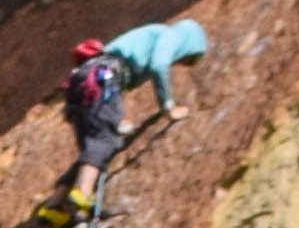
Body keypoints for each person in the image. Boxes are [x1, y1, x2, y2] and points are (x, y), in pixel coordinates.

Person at [57, 18, 210, 214]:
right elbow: (159, 66)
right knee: (106, 141)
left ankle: (55, 206)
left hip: (83, 80)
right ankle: (83, 194)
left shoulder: (154, 34)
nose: (183, 63)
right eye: (192, 58)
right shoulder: (171, 36)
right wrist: (168, 107)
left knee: (92, 147)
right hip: (102, 78)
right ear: (190, 43)